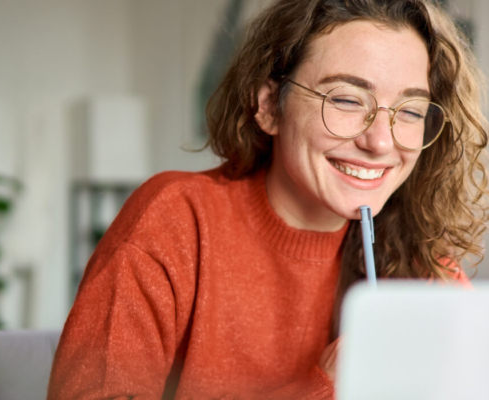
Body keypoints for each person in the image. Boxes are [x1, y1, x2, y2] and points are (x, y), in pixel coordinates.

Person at [48, 0, 489, 398]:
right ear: (269, 106)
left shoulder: (420, 264)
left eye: (409, 111)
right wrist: (322, 388)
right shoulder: (175, 220)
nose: (379, 141)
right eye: (347, 99)